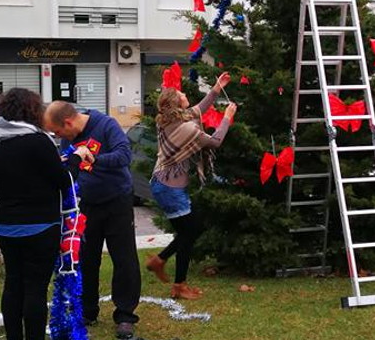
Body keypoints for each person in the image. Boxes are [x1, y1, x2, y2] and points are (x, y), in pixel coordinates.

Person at [0, 88, 86, 340]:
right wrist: (76, 158)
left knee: (13, 284)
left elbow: (0, 181)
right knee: (34, 289)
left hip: (4, 225)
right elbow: (63, 180)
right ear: (31, 111)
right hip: (39, 227)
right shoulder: (38, 142)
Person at [44, 101, 140, 340]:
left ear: (67, 122)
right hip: (87, 204)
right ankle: (88, 311)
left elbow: (125, 155)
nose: (58, 137)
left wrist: (95, 159)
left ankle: (125, 316)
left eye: (57, 132)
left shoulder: (105, 125)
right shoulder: (68, 138)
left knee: (124, 258)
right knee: (86, 259)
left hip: (117, 200)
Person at [145, 73, 236, 300]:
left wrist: (217, 87)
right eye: (181, 94)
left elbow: (198, 109)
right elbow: (215, 141)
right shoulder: (186, 129)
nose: (185, 94)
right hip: (169, 189)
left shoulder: (169, 119)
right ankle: (178, 284)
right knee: (190, 232)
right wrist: (227, 118)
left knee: (190, 231)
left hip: (164, 183)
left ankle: (162, 263)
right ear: (177, 105)